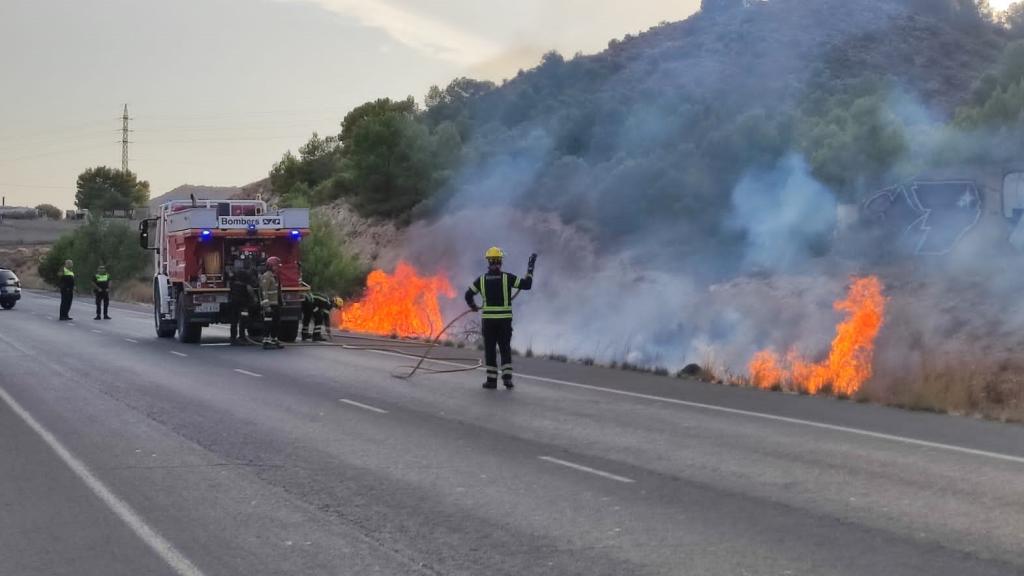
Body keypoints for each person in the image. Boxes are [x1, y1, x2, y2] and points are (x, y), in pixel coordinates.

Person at [464, 247, 536, 389]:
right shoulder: (507, 278)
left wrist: (473, 306)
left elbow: (468, 294)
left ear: (488, 262)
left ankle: (491, 381)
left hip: (489, 323)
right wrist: (530, 268)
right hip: (504, 322)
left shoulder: (482, 280)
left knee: (490, 350)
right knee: (505, 349)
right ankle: (507, 379)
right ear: (500, 261)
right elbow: (527, 285)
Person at [259, 256, 284, 350]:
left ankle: (274, 339)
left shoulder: (274, 276)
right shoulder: (267, 276)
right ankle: (266, 341)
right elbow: (264, 291)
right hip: (269, 305)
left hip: (276, 304)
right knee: (268, 323)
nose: (278, 267)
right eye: (277, 266)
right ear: (271, 266)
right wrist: (266, 305)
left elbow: (277, 291)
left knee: (276, 323)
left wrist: (281, 301)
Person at [227, 265, 255, 345]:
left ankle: (233, 338)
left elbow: (230, 280)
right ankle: (242, 337)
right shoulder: (246, 286)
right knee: (243, 321)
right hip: (243, 306)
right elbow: (251, 294)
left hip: (234, 304)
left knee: (234, 321)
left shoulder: (233, 284)